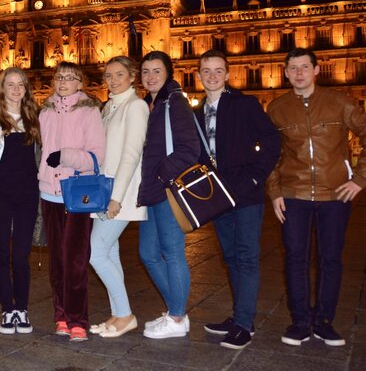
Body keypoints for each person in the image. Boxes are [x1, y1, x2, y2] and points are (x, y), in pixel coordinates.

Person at [267, 48, 366, 347]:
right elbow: (270, 154)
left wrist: (360, 179)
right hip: (293, 194)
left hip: (334, 194)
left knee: (330, 259)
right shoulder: (277, 108)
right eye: (292, 68)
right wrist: (274, 191)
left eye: (304, 67)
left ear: (316, 69)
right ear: (285, 72)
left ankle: (324, 321)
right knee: (295, 259)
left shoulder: (340, 103)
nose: (298, 73)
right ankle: (299, 321)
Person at [194, 50, 280, 349]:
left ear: (228, 74)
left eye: (219, 70)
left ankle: (244, 324)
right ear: (198, 75)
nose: (213, 75)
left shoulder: (245, 104)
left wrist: (256, 177)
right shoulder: (197, 112)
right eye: (207, 71)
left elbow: (272, 141)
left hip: (245, 194)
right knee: (230, 258)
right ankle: (239, 316)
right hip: (217, 197)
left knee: (246, 257)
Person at [38, 61, 105, 342]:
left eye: (70, 77)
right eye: (59, 77)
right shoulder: (44, 112)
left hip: (77, 192)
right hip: (48, 192)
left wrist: (66, 155)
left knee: (75, 259)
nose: (63, 81)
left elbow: (97, 156)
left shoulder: (90, 111)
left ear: (80, 83)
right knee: (56, 260)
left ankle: (79, 319)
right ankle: (61, 315)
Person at [138, 50, 199, 340]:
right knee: (148, 253)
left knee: (173, 253)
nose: (150, 77)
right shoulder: (149, 104)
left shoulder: (175, 102)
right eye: (146, 71)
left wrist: (163, 176)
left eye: (156, 71)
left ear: (168, 73)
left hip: (167, 190)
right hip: (150, 190)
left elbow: (189, 148)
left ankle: (176, 317)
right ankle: (177, 310)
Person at [0, 67, 44, 335]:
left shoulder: (37, 118)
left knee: (21, 256)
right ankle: (7, 308)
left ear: (26, 88)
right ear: (2, 88)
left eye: (21, 85)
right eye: (10, 84)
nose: (16, 89)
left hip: (28, 195)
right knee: (1, 254)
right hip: (0, 195)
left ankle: (22, 309)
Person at [88, 57, 148, 339]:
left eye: (119, 74)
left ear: (132, 76)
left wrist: (117, 197)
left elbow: (131, 154)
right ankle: (117, 314)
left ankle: (125, 314)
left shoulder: (135, 106)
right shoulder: (110, 106)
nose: (112, 80)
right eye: (108, 75)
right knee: (110, 253)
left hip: (120, 195)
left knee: (95, 251)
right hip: (106, 192)